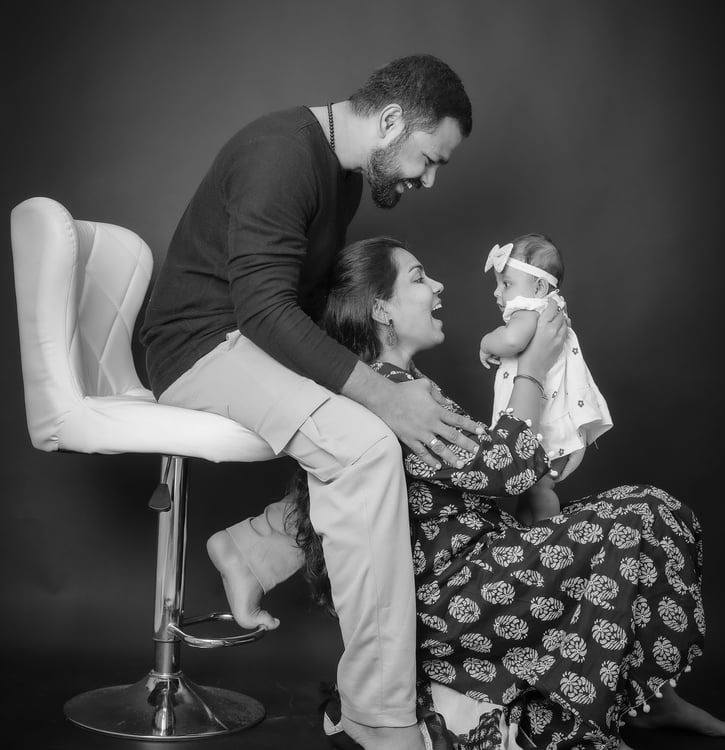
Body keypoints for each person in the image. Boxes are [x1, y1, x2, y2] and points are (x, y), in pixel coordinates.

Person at [139, 55, 486, 750]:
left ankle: (256, 549)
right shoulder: (280, 155)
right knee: (366, 446)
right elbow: (264, 309)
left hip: (245, 340)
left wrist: (388, 384)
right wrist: (385, 404)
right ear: (392, 121)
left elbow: (297, 307)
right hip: (200, 348)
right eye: (428, 159)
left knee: (374, 428)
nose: (428, 180)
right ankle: (378, 719)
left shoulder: (342, 178)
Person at [286, 237, 725, 749]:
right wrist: (533, 368)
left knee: (654, 511)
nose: (438, 286)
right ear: (381, 310)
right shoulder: (389, 394)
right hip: (455, 596)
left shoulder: (403, 381)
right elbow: (505, 469)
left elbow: (492, 469)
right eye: (418, 278)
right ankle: (617, 707)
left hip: (486, 560)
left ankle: (649, 698)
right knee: (639, 520)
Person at [479, 234, 613, 525]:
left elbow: (512, 340)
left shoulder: (530, 310)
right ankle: (528, 534)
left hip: (541, 430)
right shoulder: (552, 309)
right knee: (532, 492)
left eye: (506, 284)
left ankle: (549, 536)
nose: (497, 292)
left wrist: (487, 343)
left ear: (539, 287)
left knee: (540, 489)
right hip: (553, 422)